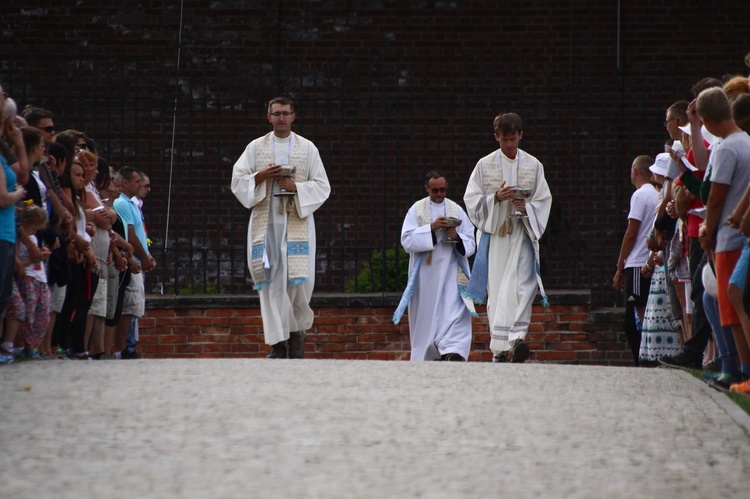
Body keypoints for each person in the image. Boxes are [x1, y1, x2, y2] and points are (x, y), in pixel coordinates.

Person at [231, 96, 331, 359]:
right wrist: (262, 176)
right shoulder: (255, 147)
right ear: (269, 117)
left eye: (286, 113)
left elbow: (322, 186)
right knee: (271, 282)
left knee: (299, 284)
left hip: (297, 221)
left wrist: (295, 187)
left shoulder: (308, 148)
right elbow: (238, 181)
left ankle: (296, 337)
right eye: (276, 114)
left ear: (293, 116)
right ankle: (278, 344)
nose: (281, 118)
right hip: (267, 226)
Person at [463, 112, 552, 363]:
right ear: (496, 138)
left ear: (521, 135)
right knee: (499, 289)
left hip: (523, 232)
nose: (510, 145)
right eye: (504, 140)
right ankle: (500, 349)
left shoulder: (534, 165)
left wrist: (526, 207)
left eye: (513, 139)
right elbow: (471, 200)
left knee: (525, 285)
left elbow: (543, 200)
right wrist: (496, 198)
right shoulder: (484, 165)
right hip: (497, 236)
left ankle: (517, 338)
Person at [697, 87, 750, 394]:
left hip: (729, 238)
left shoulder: (727, 148)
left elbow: (716, 198)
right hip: (741, 235)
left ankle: (737, 371)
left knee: (731, 309)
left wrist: (708, 229)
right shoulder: (746, 141)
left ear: (707, 121)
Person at [394, 171, 477, 361]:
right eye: (435, 190)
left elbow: (471, 242)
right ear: (427, 189)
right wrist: (431, 228)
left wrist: (455, 236)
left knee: (454, 314)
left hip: (451, 273)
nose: (440, 194)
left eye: (443, 190)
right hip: (426, 276)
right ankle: (429, 355)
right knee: (428, 318)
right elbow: (406, 240)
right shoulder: (416, 210)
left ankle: (452, 352)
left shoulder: (456, 210)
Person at [613, 155, 660, 366]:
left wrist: (620, 263)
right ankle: (646, 357)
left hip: (637, 262)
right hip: (649, 260)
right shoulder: (658, 194)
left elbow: (631, 232)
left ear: (635, 172)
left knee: (637, 315)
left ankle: (644, 359)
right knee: (637, 315)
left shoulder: (640, 195)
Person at [113, 166, 153, 359]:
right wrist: (142, 258)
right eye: (137, 181)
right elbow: (130, 235)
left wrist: (147, 255)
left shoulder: (131, 205)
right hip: (132, 261)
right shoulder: (122, 204)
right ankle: (122, 349)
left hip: (138, 259)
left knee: (134, 308)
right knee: (128, 309)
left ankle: (127, 347)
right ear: (126, 183)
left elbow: (139, 233)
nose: (140, 185)